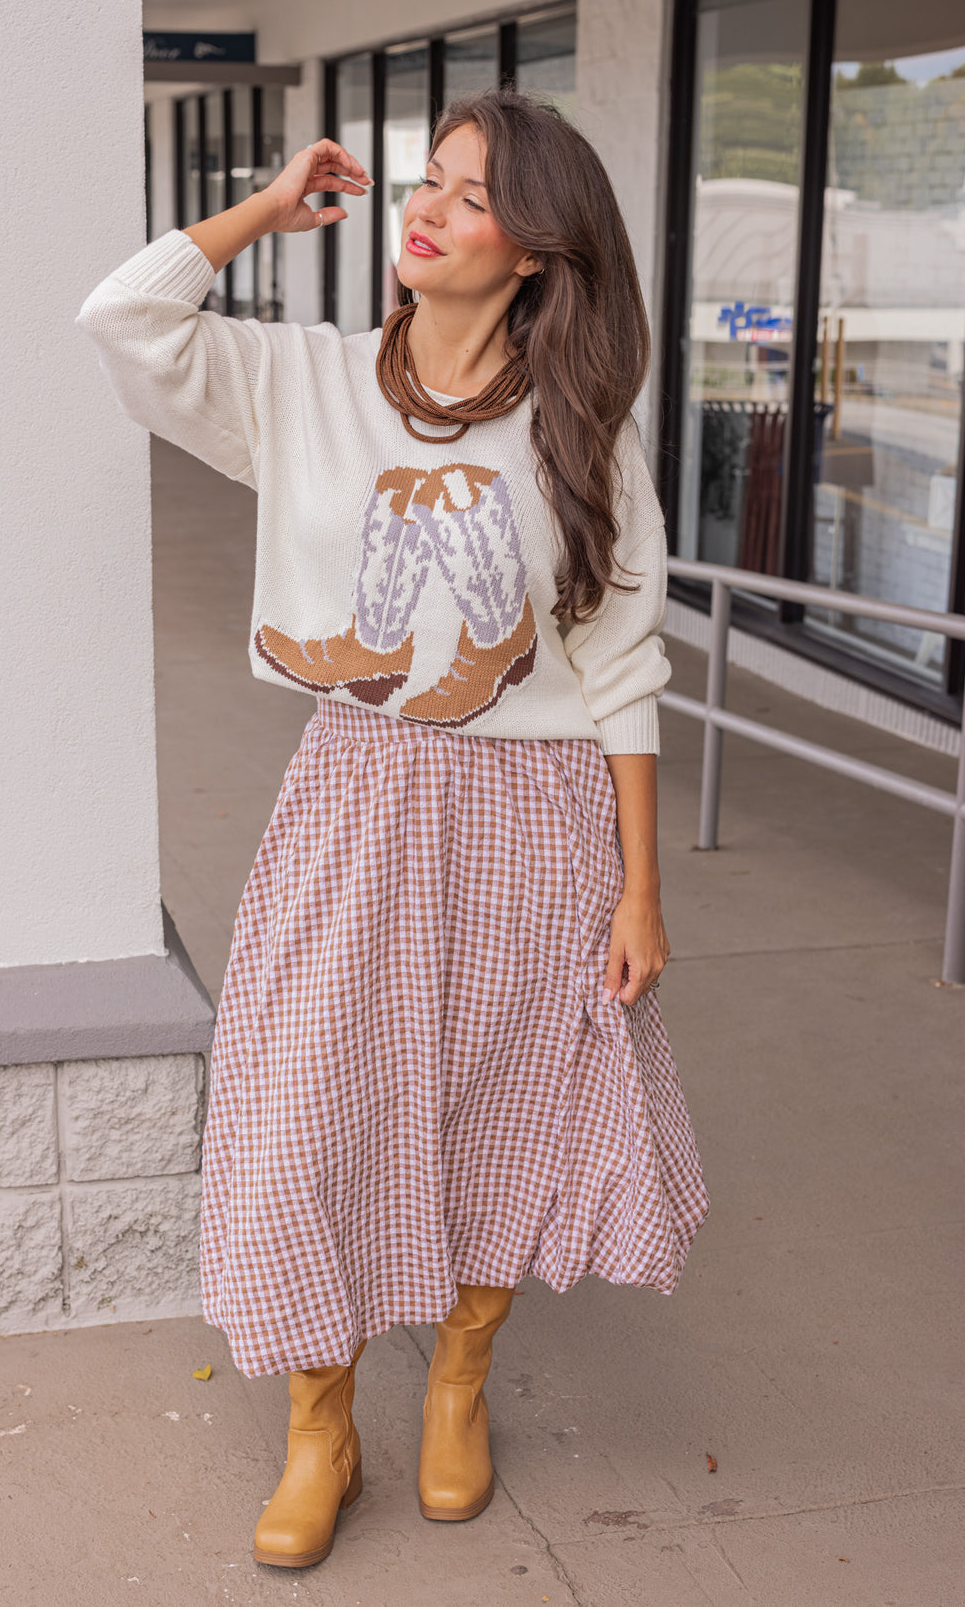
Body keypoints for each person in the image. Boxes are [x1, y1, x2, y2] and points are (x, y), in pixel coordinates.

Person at [75, 87, 710, 1572]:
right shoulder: (305, 383)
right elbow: (124, 319)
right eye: (426, 182)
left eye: (468, 195)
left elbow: (622, 661)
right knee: (305, 1102)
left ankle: (464, 1381)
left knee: (500, 1098)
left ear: (539, 251)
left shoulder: (584, 427)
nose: (422, 210)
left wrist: (641, 890)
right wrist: (258, 207)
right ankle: (320, 1424)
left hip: (539, 810)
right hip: (357, 794)